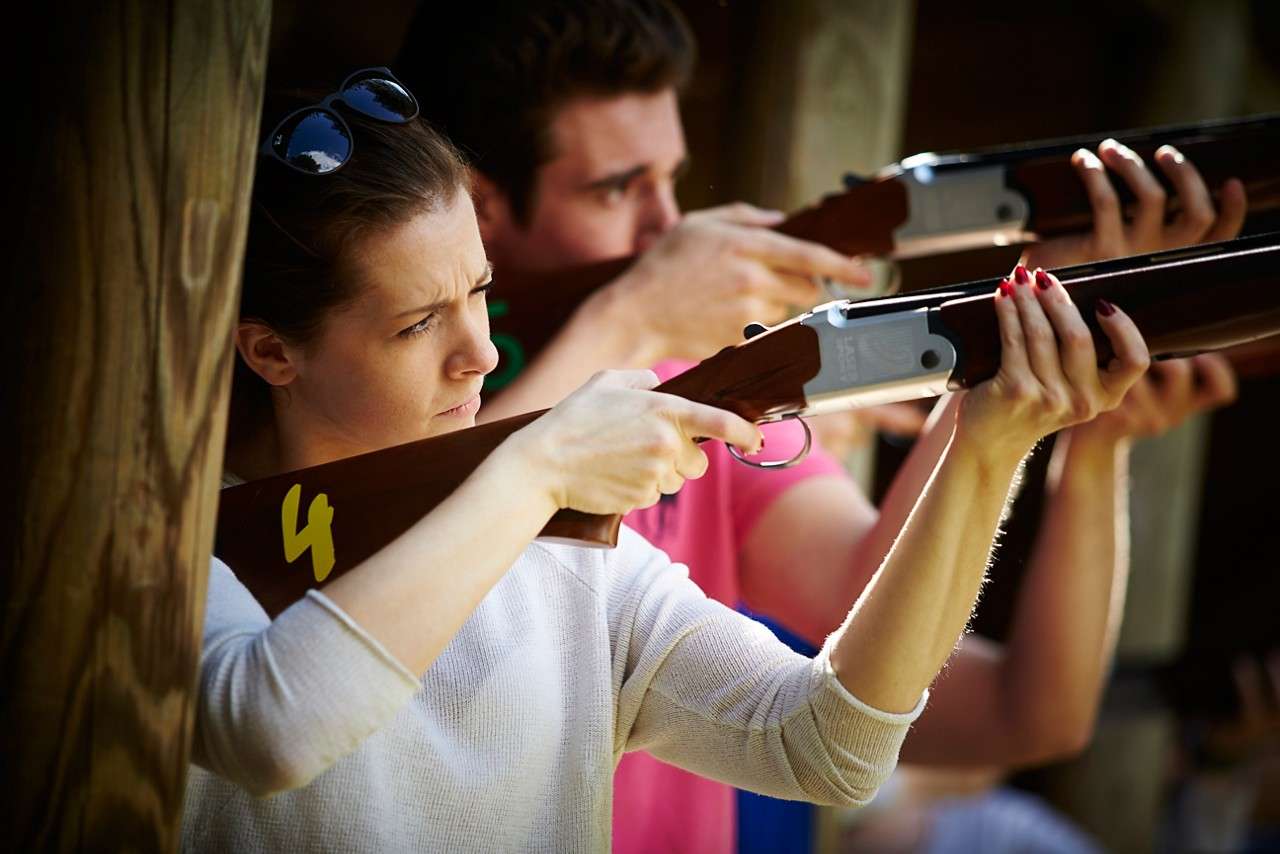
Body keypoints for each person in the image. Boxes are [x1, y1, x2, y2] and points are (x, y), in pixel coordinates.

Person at [181, 74, 1151, 852]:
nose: (477, 351)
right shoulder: (184, 558)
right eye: (415, 322)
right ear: (271, 352)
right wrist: (532, 468)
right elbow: (276, 724)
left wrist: (987, 445)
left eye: (477, 290)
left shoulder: (565, 557)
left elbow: (829, 745)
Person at [395, 2, 1243, 850]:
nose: (668, 226)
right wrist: (633, 314)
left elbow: (1023, 716)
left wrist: (1067, 414)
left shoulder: (684, 391)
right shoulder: (399, 410)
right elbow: (388, 585)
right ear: (484, 205)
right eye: (618, 189)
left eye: (670, 179)